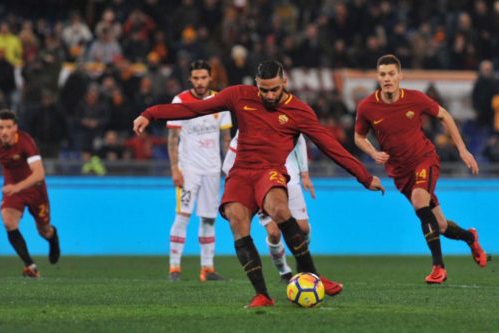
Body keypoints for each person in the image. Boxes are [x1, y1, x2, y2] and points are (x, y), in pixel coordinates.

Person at [134, 60, 384, 308]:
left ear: (284, 83)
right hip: (241, 172)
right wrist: (150, 113)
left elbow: (330, 146)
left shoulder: (299, 111)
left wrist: (364, 176)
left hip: (270, 170)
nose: (269, 95)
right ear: (256, 84)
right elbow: (194, 109)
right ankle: (262, 295)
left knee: (279, 209)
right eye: (264, 89)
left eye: (274, 89)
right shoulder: (239, 95)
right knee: (236, 219)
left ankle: (313, 276)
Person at [354, 54, 487, 284]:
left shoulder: (414, 99)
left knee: (419, 200)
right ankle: (470, 237)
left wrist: (462, 149)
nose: (387, 79)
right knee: (441, 225)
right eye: (383, 74)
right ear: (378, 77)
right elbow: (358, 136)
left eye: (391, 74)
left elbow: (444, 115)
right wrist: (373, 152)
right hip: (400, 172)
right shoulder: (367, 107)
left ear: (400, 76)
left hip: (424, 159)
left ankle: (438, 267)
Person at [166, 59, 232, 282]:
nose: (200, 82)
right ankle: (174, 268)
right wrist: (175, 168)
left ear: (210, 77)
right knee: (182, 216)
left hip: (212, 170)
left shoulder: (220, 101)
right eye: (196, 78)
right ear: (190, 79)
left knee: (208, 219)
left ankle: (207, 269)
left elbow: (226, 139)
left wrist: (229, 167)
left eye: (204, 77)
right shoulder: (180, 101)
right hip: (189, 169)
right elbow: (172, 138)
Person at [222, 132, 314, 283]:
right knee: (274, 233)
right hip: (262, 183)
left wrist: (304, 173)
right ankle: (284, 271)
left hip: (290, 178)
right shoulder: (246, 127)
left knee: (303, 229)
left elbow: (300, 140)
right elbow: (228, 165)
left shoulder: (284, 117)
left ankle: (302, 259)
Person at [0, 109, 60, 278]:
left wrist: (18, 187)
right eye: (0, 127)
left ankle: (53, 238)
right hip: (13, 188)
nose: (3, 132)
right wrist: (15, 188)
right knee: (8, 221)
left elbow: (39, 173)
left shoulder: (25, 142)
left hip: (35, 190)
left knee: (43, 231)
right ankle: (30, 265)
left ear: (15, 128)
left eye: (8, 127)